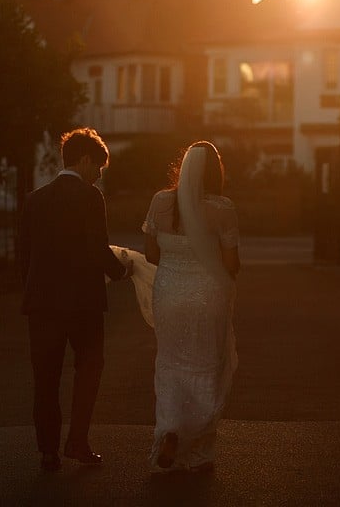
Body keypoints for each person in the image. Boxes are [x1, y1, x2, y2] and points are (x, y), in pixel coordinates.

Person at [19, 127, 131, 472]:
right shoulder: (90, 197)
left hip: (42, 303)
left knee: (46, 379)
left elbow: (25, 253)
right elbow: (98, 248)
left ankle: (48, 451)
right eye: (98, 167)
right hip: (83, 302)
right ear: (84, 161)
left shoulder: (35, 199)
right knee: (88, 371)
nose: (99, 175)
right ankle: (77, 442)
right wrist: (122, 270)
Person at [142, 140, 240, 473]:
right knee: (207, 365)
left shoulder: (161, 202)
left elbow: (152, 254)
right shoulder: (223, 208)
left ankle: (171, 430)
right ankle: (200, 452)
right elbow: (231, 263)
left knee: (170, 363)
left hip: (168, 293)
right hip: (207, 295)